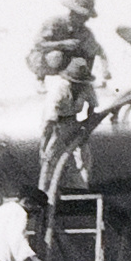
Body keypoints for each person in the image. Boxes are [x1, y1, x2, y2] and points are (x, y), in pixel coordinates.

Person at [39, 58, 99, 192]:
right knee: (50, 157)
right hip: (57, 124)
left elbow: (92, 107)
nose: (79, 86)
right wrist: (44, 144)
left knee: (83, 156)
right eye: (76, 83)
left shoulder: (87, 87)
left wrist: (86, 129)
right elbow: (49, 121)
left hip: (74, 121)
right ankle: (47, 192)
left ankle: (81, 189)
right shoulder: (59, 89)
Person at [28, 0, 111, 87]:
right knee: (55, 56)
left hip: (65, 62)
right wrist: (63, 44)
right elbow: (39, 44)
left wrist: (105, 70)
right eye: (83, 16)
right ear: (73, 13)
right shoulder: (55, 23)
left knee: (87, 51)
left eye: (87, 17)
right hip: (42, 60)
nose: (86, 20)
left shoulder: (84, 32)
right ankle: (40, 80)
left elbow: (99, 51)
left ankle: (82, 81)